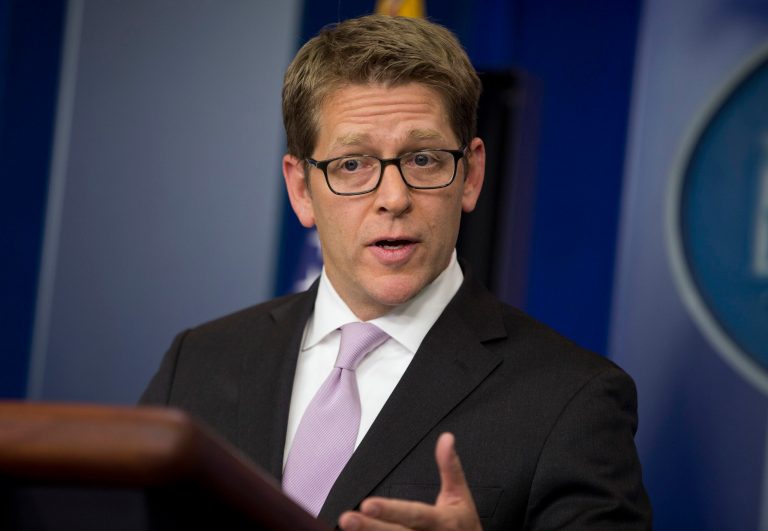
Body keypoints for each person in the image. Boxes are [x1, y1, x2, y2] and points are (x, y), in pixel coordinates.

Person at [141, 14, 651, 530]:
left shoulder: (573, 398)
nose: (394, 198)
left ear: (471, 174)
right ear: (301, 189)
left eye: (424, 159)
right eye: (352, 164)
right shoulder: (198, 363)